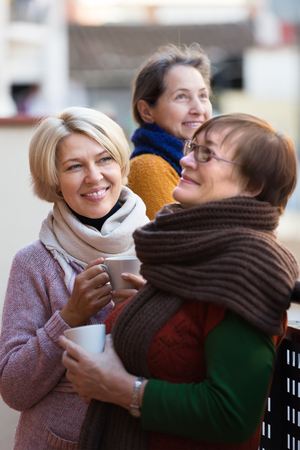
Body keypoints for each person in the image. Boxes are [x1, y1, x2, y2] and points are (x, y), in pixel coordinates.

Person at [60, 112, 299, 450]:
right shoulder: (190, 254)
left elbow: (232, 414)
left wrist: (118, 387)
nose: (185, 159)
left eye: (207, 153)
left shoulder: (248, 266)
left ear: (252, 185)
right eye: (192, 147)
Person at [0, 106, 148, 450]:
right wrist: (70, 316)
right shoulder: (34, 262)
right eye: (74, 166)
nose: (94, 177)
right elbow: (13, 388)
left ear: (122, 166)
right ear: (53, 180)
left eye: (105, 159)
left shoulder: (160, 246)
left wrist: (142, 313)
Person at [127, 43, 213, 220]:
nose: (198, 108)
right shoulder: (148, 167)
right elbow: (179, 243)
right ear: (146, 111)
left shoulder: (212, 161)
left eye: (203, 96)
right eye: (181, 96)